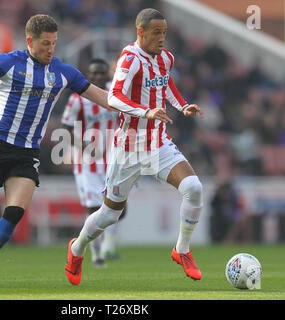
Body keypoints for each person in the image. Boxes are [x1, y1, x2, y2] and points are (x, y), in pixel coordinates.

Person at [0, 14, 168, 288]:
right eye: (45, 43)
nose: (50, 49)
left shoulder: (63, 72)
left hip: (27, 151)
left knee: (14, 213)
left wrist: (142, 110)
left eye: (54, 43)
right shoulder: (9, 61)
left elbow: (103, 96)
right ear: (30, 41)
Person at [65, 8, 204, 286]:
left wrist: (182, 105)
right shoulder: (130, 59)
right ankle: (77, 249)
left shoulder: (166, 58)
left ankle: (182, 250)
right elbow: (114, 98)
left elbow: (166, 85)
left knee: (193, 188)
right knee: (109, 214)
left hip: (159, 143)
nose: (162, 38)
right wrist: (145, 112)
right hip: (129, 148)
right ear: (140, 32)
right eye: (156, 33)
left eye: (164, 33)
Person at [61, 58, 125, 268]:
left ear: (107, 74)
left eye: (101, 73)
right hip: (87, 162)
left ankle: (106, 244)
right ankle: (96, 253)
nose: (98, 76)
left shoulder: (115, 94)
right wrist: (85, 145)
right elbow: (66, 128)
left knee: (120, 207)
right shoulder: (77, 99)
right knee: (94, 208)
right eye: (94, 73)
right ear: (88, 75)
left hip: (114, 159)